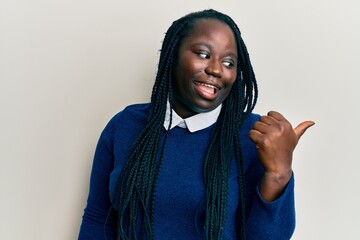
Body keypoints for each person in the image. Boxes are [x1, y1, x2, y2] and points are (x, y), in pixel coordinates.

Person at [78, 9, 314, 240]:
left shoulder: (254, 136)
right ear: (172, 57)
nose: (216, 69)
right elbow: (99, 218)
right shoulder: (125, 125)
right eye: (203, 54)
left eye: (229, 63)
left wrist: (279, 173)